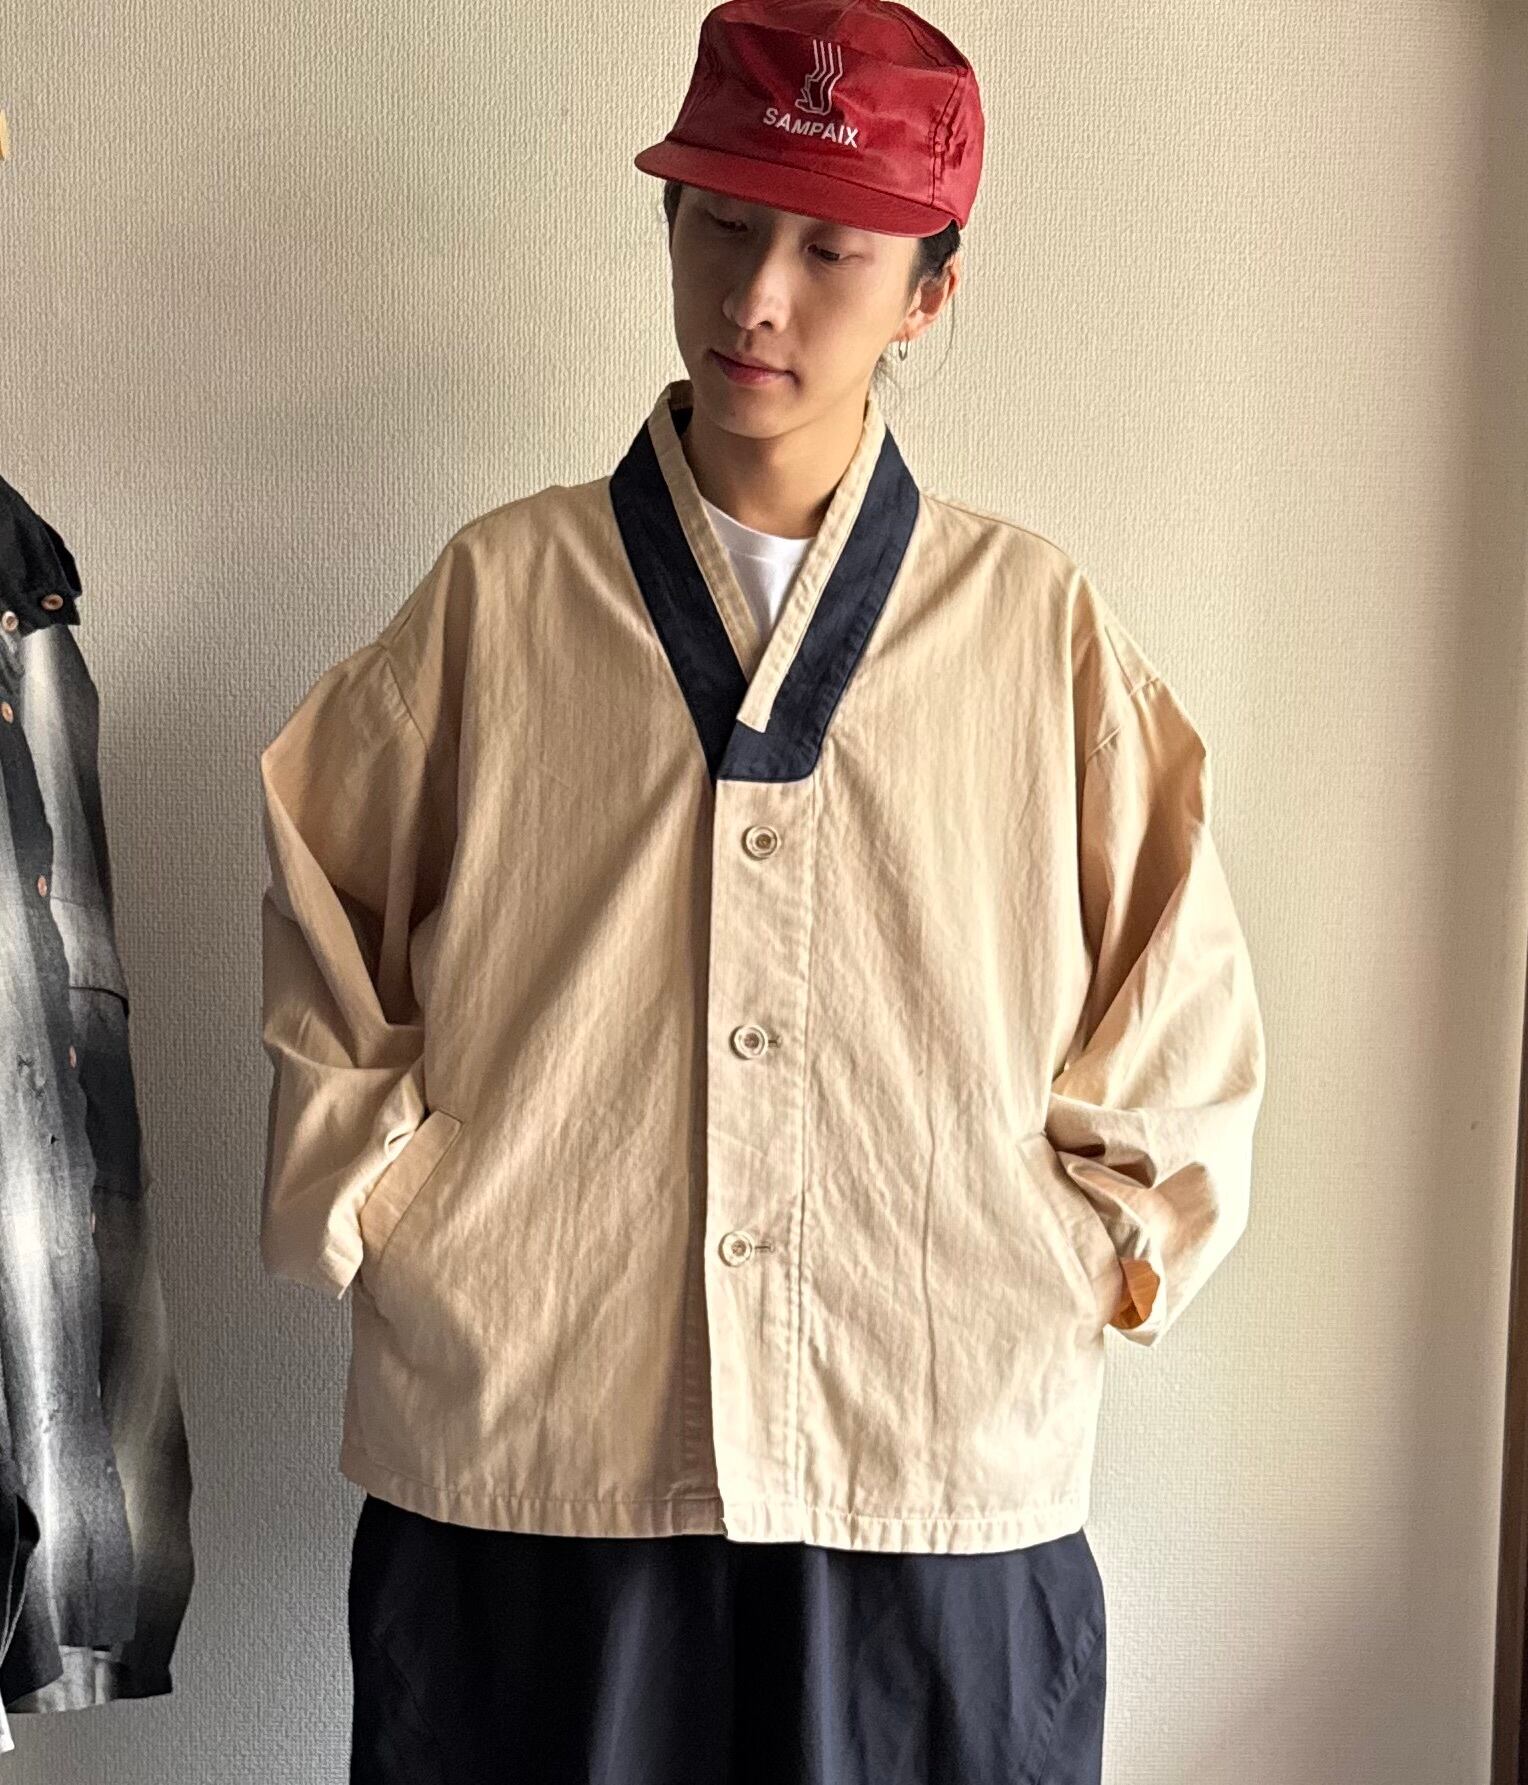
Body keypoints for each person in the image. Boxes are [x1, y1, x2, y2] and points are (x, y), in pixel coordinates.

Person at [256, 2, 1266, 1780]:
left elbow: (1178, 1000)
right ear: (669, 222)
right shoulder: (503, 599)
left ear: (930, 289)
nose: (758, 297)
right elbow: (320, 899)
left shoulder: (1033, 632)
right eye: (722, 222)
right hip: (542, 1457)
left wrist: (1088, 1248)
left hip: (931, 1462)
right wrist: (399, 1207)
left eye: (831, 248)